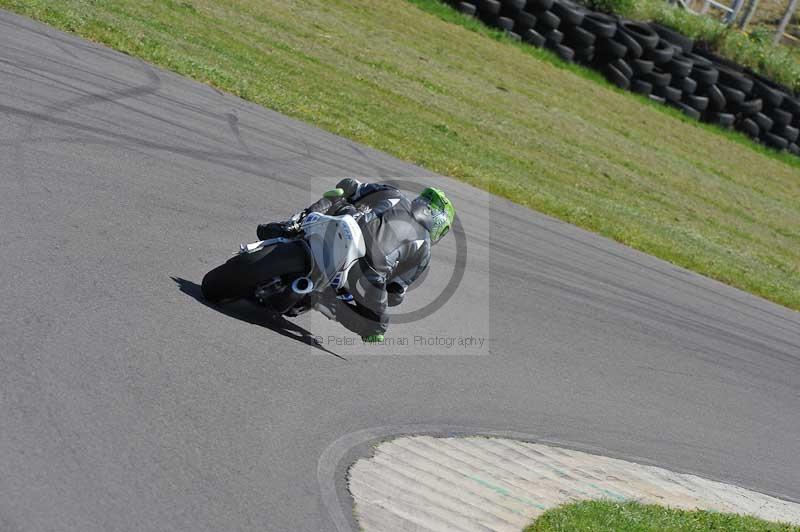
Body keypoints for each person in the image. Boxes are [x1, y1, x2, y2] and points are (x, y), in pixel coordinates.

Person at [256, 179, 455, 343]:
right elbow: (395, 294)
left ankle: (292, 224)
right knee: (376, 328)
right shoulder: (424, 251)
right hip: (367, 271)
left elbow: (350, 185)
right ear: (441, 226)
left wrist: (350, 206)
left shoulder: (394, 194)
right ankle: (326, 301)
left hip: (346, 230)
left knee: (341, 195)